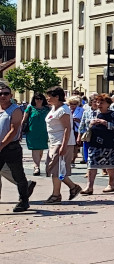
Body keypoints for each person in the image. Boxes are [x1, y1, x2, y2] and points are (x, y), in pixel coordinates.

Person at [0, 82, 37, 212]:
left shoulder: (15, 110)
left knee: (18, 175)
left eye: (5, 93)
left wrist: (2, 145)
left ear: (11, 95)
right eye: (0, 93)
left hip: (10, 147)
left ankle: (24, 200)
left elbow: (14, 129)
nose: (3, 96)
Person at [43, 86, 82, 204]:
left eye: (50, 96)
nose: (47, 98)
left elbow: (67, 128)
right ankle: (73, 187)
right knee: (54, 168)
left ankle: (56, 194)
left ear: (57, 97)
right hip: (54, 141)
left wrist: (64, 146)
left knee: (56, 169)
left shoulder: (63, 110)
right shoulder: (54, 108)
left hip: (61, 142)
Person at [82, 94, 114, 194]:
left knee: (110, 165)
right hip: (94, 143)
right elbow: (87, 126)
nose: (99, 104)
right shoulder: (94, 113)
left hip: (110, 143)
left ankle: (111, 184)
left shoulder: (113, 114)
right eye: (97, 102)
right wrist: (91, 123)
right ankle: (89, 187)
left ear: (108, 104)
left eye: (101, 103)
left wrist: (105, 123)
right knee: (91, 164)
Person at [23, 94, 49, 176]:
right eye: (36, 98)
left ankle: (37, 164)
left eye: (40, 98)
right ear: (34, 99)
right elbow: (24, 120)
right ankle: (36, 167)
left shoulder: (47, 109)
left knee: (40, 150)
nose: (39, 100)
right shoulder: (30, 108)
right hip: (32, 132)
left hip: (43, 132)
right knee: (35, 149)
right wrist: (20, 132)